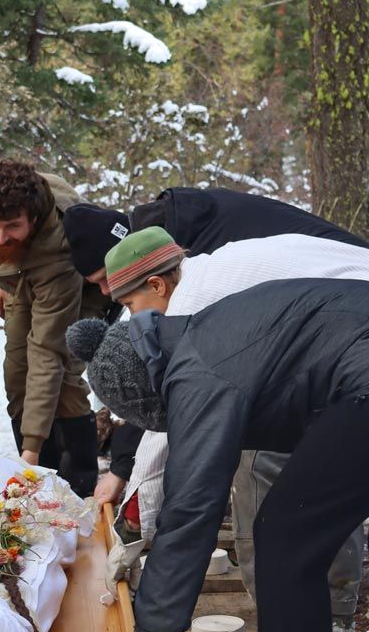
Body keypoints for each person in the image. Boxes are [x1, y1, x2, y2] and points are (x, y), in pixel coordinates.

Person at [67, 278, 369, 632]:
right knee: (291, 529)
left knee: (285, 539)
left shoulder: (198, 370)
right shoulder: (199, 335)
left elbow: (192, 507)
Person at [102, 226, 369, 632]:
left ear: (156, 284)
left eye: (131, 306)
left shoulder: (195, 308)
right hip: (340, 331)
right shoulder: (209, 271)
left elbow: (177, 446)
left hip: (350, 347)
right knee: (304, 500)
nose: (135, 321)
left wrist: (134, 526)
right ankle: (324, 627)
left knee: (275, 512)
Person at [61, 189, 369, 508]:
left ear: (150, 279)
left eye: (112, 287)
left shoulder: (192, 298)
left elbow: (173, 407)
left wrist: (132, 500)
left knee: (263, 471)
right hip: (340, 309)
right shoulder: (189, 259)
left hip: (347, 332)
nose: (106, 292)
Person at [0, 159, 114, 497]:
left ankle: (76, 478)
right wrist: (3, 277)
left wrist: (28, 451)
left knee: (59, 374)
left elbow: (48, 351)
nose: (0, 236)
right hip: (24, 270)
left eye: (12, 227)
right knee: (16, 370)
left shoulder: (60, 245)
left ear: (32, 220)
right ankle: (37, 470)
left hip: (85, 284)